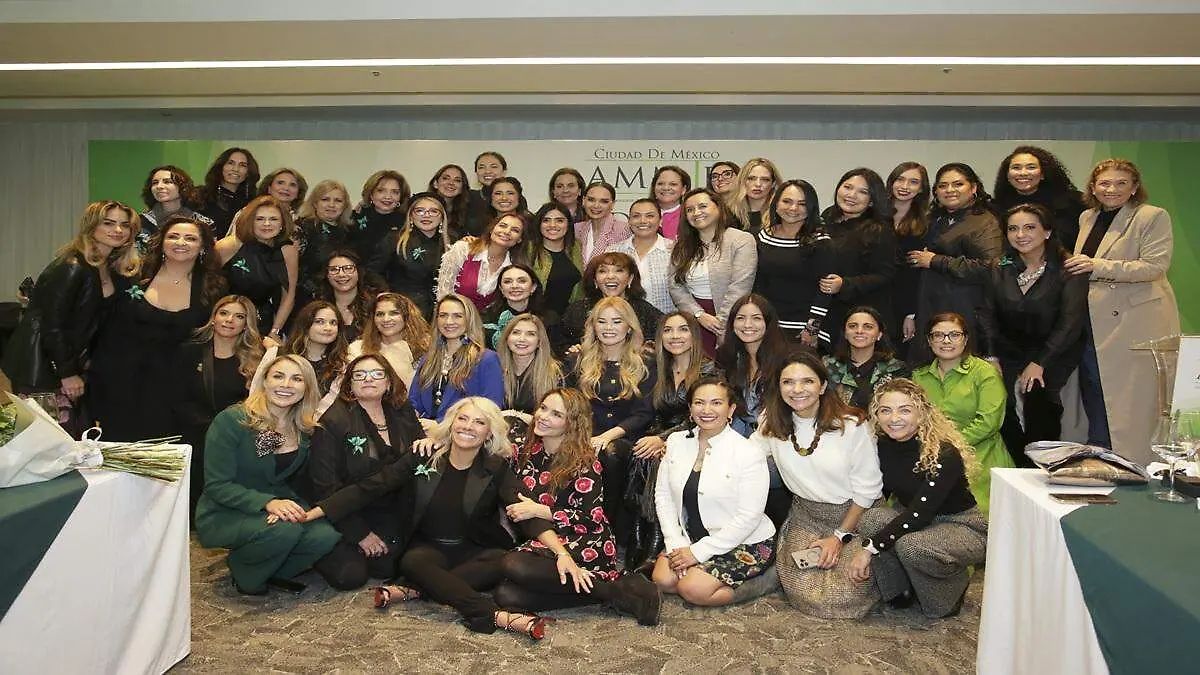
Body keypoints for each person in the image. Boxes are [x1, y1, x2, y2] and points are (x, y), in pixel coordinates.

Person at [320, 397, 560, 640]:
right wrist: (322, 509)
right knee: (413, 563)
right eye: (463, 418)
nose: (468, 426)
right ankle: (495, 615)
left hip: (475, 550)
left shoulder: (494, 466)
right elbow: (374, 486)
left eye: (479, 422)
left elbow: (524, 509)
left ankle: (414, 589)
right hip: (428, 548)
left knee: (504, 562)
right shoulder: (424, 455)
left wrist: (560, 553)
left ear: (489, 433)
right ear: (452, 422)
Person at [493, 388, 662, 626]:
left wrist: (541, 511)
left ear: (571, 423)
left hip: (585, 541)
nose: (543, 416)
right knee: (505, 595)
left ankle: (606, 586)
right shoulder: (525, 452)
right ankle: (611, 592)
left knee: (513, 564)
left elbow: (590, 518)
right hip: (544, 540)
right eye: (543, 408)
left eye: (556, 414)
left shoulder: (584, 462)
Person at [749, 349, 883, 619]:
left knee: (846, 590)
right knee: (804, 589)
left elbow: (868, 491)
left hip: (857, 516)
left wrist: (839, 537)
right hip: (807, 516)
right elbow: (744, 456)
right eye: (788, 382)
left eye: (807, 381)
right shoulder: (771, 422)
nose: (797, 390)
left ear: (822, 386)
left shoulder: (851, 426)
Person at [195, 355, 342, 595]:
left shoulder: (304, 428)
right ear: (264, 381)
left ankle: (265, 568)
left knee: (325, 535)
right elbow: (217, 485)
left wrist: (291, 507)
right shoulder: (232, 421)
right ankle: (247, 576)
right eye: (278, 376)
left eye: (297, 379)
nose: (286, 385)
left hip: (276, 507)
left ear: (306, 388)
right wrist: (268, 503)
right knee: (286, 531)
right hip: (226, 510)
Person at [1067, 158, 1180, 462]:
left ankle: (1132, 462)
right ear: (1093, 187)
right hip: (1093, 318)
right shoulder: (1088, 217)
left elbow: (1155, 266)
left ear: (1134, 187)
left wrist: (1097, 266)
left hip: (1135, 323)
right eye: (1104, 183)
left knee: (1128, 400)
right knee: (1094, 387)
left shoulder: (1152, 216)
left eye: (1121, 183)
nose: (1111, 189)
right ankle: (1100, 452)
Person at [849, 379, 987, 618]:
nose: (894, 418)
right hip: (915, 519)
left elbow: (918, 514)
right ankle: (900, 591)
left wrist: (868, 549)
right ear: (876, 416)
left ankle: (949, 594)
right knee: (871, 520)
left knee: (912, 546)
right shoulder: (882, 445)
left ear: (921, 413)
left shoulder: (944, 454)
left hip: (962, 526)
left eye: (904, 410)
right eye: (885, 410)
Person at [3, 200, 140, 433]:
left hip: (67, 365)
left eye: (124, 225)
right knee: (47, 441)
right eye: (108, 223)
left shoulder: (109, 267)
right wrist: (67, 373)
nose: (118, 230)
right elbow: (52, 325)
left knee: (73, 438)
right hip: (42, 369)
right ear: (91, 226)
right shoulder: (72, 265)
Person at [88, 215, 227, 441]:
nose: (180, 242)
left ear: (202, 247)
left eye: (190, 238)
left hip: (178, 389)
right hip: (122, 382)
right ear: (161, 243)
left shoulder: (213, 287)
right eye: (173, 236)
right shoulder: (133, 274)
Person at [653, 378, 776, 607]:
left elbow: (749, 517)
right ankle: (698, 570)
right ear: (690, 408)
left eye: (716, 403)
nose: (706, 410)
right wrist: (675, 543)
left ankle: (765, 582)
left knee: (692, 590)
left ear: (730, 410)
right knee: (663, 580)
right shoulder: (676, 442)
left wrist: (697, 553)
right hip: (692, 536)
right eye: (699, 402)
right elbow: (663, 496)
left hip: (743, 540)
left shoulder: (748, 453)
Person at [978, 204, 1087, 460]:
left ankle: (1041, 466)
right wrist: (991, 356)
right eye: (1013, 229)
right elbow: (986, 313)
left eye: (1029, 227)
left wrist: (1040, 363)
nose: (1020, 235)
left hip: (1054, 350)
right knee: (999, 402)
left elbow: (1070, 323)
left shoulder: (1068, 268)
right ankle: (1014, 465)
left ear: (1047, 232)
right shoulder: (999, 266)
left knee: (1038, 398)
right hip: (1009, 349)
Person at [307, 354, 424, 590]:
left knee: (391, 566)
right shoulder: (333, 421)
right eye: (359, 375)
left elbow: (417, 454)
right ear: (349, 384)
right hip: (347, 510)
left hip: (390, 508)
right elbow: (325, 487)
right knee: (350, 576)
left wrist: (428, 441)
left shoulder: (402, 411)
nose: (368, 379)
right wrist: (360, 534)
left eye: (377, 374)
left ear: (388, 382)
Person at [626, 312, 716, 571]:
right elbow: (654, 411)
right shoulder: (658, 369)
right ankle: (639, 534)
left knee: (658, 459)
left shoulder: (709, 369)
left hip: (696, 435)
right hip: (660, 433)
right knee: (638, 453)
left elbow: (702, 415)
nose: (675, 336)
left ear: (694, 335)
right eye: (668, 330)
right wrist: (653, 437)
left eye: (683, 329)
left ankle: (656, 540)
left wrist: (663, 439)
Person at [565, 296, 657, 550]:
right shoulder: (578, 360)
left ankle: (610, 534)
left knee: (610, 454)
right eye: (602, 321)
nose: (608, 327)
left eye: (617, 321)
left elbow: (643, 413)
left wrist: (607, 436)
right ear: (593, 326)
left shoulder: (646, 362)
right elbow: (571, 404)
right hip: (585, 434)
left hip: (625, 438)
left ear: (629, 327)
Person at [172, 295, 264, 522]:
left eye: (239, 316)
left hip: (237, 440)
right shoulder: (189, 352)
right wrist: (211, 426)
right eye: (224, 313)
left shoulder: (256, 359)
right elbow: (176, 399)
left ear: (246, 325)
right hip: (194, 438)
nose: (229, 320)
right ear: (213, 317)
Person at [911, 312, 1011, 513]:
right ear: (929, 341)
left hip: (980, 460)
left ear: (965, 339)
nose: (946, 341)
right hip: (930, 459)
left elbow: (989, 422)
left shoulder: (984, 372)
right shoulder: (918, 376)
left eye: (954, 335)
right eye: (938, 335)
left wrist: (946, 446)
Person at [906, 163, 1002, 366]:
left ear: (973, 188)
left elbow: (989, 268)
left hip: (964, 309)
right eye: (943, 186)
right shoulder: (933, 219)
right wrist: (912, 313)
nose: (950, 190)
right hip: (928, 307)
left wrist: (935, 260)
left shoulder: (985, 221)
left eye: (958, 184)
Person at [668, 188, 758, 358]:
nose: (696, 213)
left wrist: (721, 324)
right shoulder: (681, 245)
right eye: (690, 210)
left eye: (702, 206)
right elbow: (675, 286)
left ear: (719, 207)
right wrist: (699, 315)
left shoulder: (741, 240)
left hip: (733, 318)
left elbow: (740, 285)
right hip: (694, 318)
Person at [820, 167, 897, 350]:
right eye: (847, 187)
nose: (852, 195)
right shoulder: (826, 218)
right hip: (823, 310)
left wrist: (845, 284)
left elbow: (885, 274)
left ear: (872, 201)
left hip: (859, 315)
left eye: (863, 192)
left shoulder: (879, 230)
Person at [753, 179, 834, 345]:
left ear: (811, 208)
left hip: (803, 330)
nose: (793, 208)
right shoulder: (760, 237)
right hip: (766, 326)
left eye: (802, 204)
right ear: (776, 204)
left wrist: (812, 328)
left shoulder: (821, 242)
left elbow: (825, 291)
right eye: (787, 201)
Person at [215, 195, 299, 345]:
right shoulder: (228, 246)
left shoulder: (288, 250)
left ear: (282, 224)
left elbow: (289, 295)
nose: (267, 224)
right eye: (259, 219)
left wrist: (274, 332)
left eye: (273, 219)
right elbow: (207, 286)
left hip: (262, 323)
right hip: (225, 321)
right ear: (250, 221)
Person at [409, 294, 504, 423]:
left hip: (464, 431)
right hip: (425, 430)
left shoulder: (486, 359)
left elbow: (491, 409)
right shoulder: (427, 359)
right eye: (443, 315)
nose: (449, 321)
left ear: (469, 320)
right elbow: (414, 403)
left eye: (457, 316)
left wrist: (439, 426)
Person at [557, 251, 664, 356]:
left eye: (619, 270)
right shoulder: (577, 310)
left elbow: (665, 339)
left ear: (630, 279)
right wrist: (572, 350)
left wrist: (648, 349)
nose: (610, 276)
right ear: (595, 280)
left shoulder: (645, 311)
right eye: (603, 271)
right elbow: (560, 343)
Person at [369, 192, 453, 317]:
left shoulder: (453, 242)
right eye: (420, 211)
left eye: (433, 211)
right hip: (403, 310)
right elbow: (373, 271)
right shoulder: (394, 240)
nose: (426, 215)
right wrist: (386, 295)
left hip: (442, 311)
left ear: (442, 217)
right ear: (411, 216)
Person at [715, 293, 788, 438]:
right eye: (741, 318)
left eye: (756, 318)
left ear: (768, 322)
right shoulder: (726, 356)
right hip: (738, 433)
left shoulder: (786, 359)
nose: (747, 324)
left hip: (777, 435)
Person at [991, 145, 1085, 252]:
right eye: (1016, 168)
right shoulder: (996, 207)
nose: (1023, 173)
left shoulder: (1072, 201)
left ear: (1043, 174)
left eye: (1031, 167)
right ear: (1007, 175)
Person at [823, 306, 910, 411]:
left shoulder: (897, 369)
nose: (859, 331)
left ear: (879, 334)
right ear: (845, 333)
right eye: (853, 326)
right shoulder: (826, 366)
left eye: (868, 327)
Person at [436, 213, 525, 312]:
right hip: (452, 316)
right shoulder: (463, 249)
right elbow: (443, 292)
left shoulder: (513, 268)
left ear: (519, 239)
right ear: (491, 229)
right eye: (502, 226)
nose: (507, 232)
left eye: (515, 230)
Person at [495, 314, 563, 443]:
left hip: (539, 440)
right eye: (516, 333)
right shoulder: (494, 369)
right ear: (507, 338)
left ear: (539, 342)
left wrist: (515, 415)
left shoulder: (555, 373)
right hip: (498, 439)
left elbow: (560, 419)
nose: (522, 339)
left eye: (530, 334)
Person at [886, 162, 931, 354]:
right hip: (873, 294)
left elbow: (917, 275)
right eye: (900, 179)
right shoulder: (876, 215)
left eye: (913, 182)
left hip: (904, 300)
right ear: (891, 182)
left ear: (921, 189)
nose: (905, 186)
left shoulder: (926, 222)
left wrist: (911, 314)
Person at [606, 198, 675, 314]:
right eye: (636, 216)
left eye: (650, 216)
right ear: (629, 221)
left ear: (660, 220)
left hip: (665, 321)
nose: (643, 221)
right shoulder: (613, 251)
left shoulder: (674, 251)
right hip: (623, 320)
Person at [348, 292, 430, 387]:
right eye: (380, 314)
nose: (386, 319)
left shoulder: (426, 349)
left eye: (394, 313)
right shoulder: (357, 348)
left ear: (407, 316)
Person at [293, 179, 355, 305]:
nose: (331, 205)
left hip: (343, 298)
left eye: (338, 201)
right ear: (315, 203)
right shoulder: (302, 228)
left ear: (345, 205)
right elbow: (292, 269)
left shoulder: (350, 231)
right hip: (308, 299)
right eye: (325, 199)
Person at [527, 203, 584, 336]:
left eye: (559, 220)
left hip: (572, 323)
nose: (552, 225)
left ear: (568, 224)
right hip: (537, 323)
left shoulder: (576, 247)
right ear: (539, 224)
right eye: (546, 220)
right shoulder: (528, 250)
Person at [135, 165, 213, 253]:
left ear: (183, 186)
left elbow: (209, 256)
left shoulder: (203, 223)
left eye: (167, 182)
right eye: (155, 183)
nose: (159, 186)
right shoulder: (139, 222)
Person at [284, 300, 349, 399]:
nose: (328, 328)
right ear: (306, 325)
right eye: (320, 322)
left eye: (333, 323)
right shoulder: (277, 354)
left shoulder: (342, 365)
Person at [349, 170, 409, 264]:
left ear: (400, 197)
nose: (388, 197)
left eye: (395, 192)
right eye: (381, 191)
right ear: (371, 194)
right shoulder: (355, 217)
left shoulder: (407, 222)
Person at [197, 148, 260, 235]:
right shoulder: (201, 195)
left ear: (248, 172)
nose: (236, 169)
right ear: (221, 167)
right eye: (230, 163)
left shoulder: (253, 201)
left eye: (243, 165)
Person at [481, 264, 543, 348]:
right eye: (507, 282)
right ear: (501, 289)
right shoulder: (485, 318)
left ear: (533, 287)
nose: (514, 286)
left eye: (522, 281)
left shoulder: (547, 319)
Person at [575, 181, 631, 265]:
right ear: (583, 201)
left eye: (604, 201)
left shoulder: (624, 230)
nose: (596, 206)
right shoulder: (576, 229)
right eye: (591, 200)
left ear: (612, 204)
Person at [726, 158, 781, 230]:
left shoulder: (780, 214)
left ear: (773, 184)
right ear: (742, 181)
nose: (758, 184)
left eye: (765, 179)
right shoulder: (728, 214)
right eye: (751, 178)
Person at [464, 151, 507, 237]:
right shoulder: (468, 197)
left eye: (494, 167)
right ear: (476, 172)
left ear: (504, 171)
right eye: (481, 167)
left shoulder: (513, 198)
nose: (487, 171)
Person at [428, 164, 471, 240]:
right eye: (445, 178)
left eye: (457, 180)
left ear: (462, 188)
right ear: (435, 184)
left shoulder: (467, 213)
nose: (451, 183)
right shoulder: (422, 208)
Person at [650, 165, 691, 240]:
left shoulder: (689, 216)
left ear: (683, 190)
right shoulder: (642, 213)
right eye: (660, 184)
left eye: (673, 184)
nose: (666, 188)